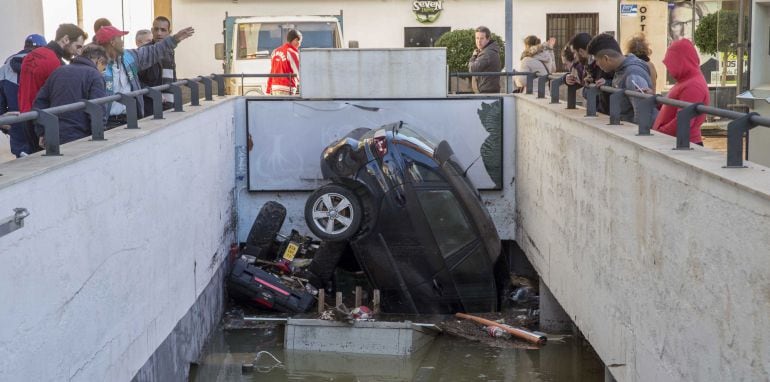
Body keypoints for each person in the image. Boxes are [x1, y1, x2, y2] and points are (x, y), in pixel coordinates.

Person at [96, 24, 194, 128]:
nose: (122, 42)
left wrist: (175, 39)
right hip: (108, 125)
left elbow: (153, 52)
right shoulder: (97, 65)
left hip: (132, 119)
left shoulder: (129, 57)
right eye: (120, 38)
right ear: (113, 42)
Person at [33, 44, 108, 146]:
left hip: (53, 135)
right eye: (103, 68)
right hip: (80, 137)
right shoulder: (95, 76)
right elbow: (97, 109)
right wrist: (99, 135)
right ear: (99, 60)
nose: (102, 71)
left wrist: (41, 132)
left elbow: (40, 102)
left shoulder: (58, 71)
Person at [587, 33, 656, 123]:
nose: (596, 64)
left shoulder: (633, 75)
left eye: (596, 60)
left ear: (606, 59)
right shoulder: (621, 70)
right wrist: (607, 84)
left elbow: (643, 115)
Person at [653, 39, 709, 145]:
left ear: (680, 62)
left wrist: (660, 133)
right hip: (678, 141)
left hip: (684, 143)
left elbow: (683, 121)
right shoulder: (686, 80)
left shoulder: (693, 85)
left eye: (671, 64)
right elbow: (676, 110)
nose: (669, 69)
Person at [0, 34, 46, 157]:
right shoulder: (44, 64)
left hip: (17, 127)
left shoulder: (4, 68)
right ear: (42, 48)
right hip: (41, 124)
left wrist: (3, 122)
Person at [138, 16, 177, 116]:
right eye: (156, 29)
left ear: (169, 31)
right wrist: (152, 93)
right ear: (152, 30)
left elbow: (172, 78)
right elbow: (135, 81)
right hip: (150, 107)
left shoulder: (170, 51)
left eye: (163, 30)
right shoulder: (143, 51)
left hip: (170, 105)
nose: (159, 33)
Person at [566, 32, 614, 114]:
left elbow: (619, 84)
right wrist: (566, 78)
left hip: (608, 115)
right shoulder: (588, 65)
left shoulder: (604, 64)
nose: (574, 56)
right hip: (600, 113)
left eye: (574, 53)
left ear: (581, 51)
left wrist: (607, 83)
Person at [267, 29, 302, 95]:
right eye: (299, 41)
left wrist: (268, 89)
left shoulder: (275, 51)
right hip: (287, 88)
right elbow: (298, 72)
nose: (299, 44)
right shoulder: (292, 53)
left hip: (274, 88)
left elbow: (272, 71)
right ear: (295, 40)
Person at [468, 26, 501, 94]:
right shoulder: (486, 50)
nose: (479, 41)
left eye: (482, 38)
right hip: (486, 92)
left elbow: (472, 69)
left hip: (486, 93)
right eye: (477, 38)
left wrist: (473, 56)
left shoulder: (487, 53)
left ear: (488, 39)